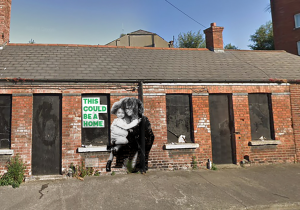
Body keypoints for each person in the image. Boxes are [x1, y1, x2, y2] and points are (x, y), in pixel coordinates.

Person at [106, 103, 140, 172]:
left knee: (115, 149)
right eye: (119, 113)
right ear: (116, 113)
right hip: (116, 138)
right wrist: (136, 121)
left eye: (122, 113)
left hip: (118, 139)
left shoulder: (122, 121)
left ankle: (108, 164)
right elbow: (126, 126)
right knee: (126, 142)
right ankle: (126, 161)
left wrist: (128, 129)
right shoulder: (117, 120)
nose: (120, 114)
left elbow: (124, 127)